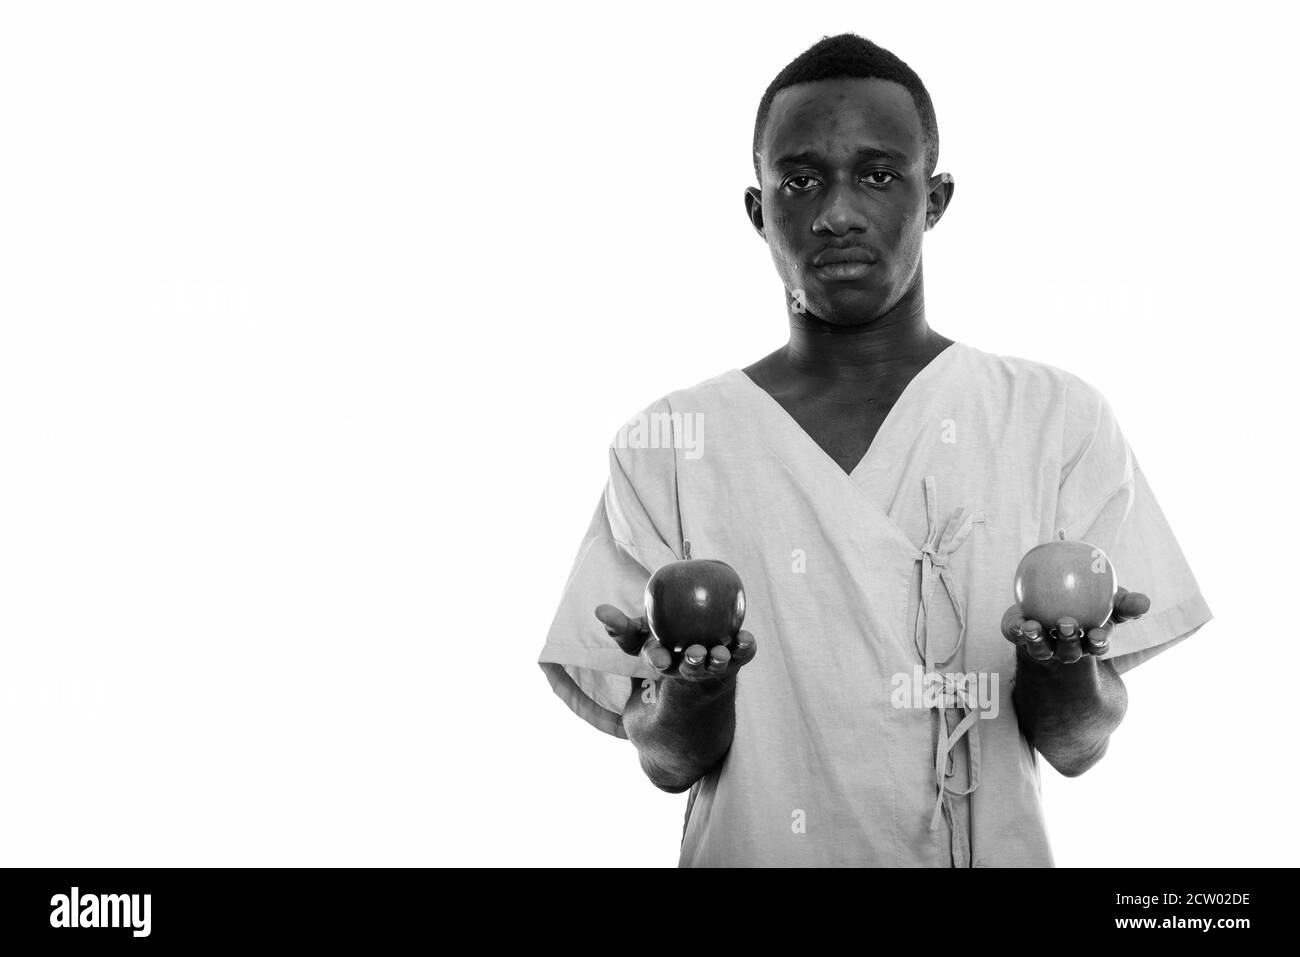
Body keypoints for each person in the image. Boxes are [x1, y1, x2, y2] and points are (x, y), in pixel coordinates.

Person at [537, 33, 1212, 867]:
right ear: (759, 211)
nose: (837, 212)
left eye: (880, 174)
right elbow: (669, 760)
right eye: (801, 179)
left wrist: (1066, 667)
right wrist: (691, 686)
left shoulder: (1055, 418)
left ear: (935, 199)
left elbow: (1076, 744)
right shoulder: (670, 442)